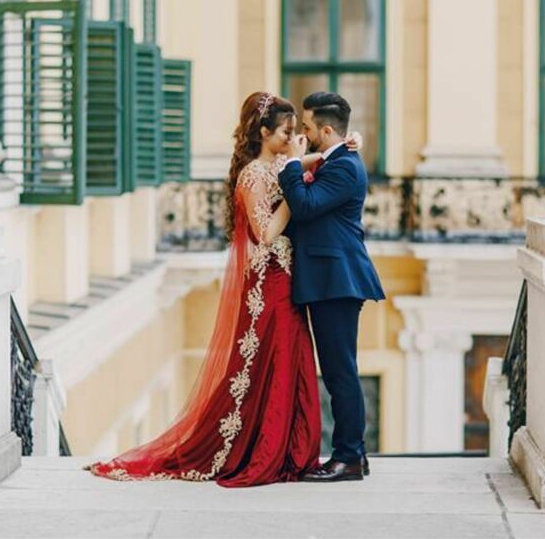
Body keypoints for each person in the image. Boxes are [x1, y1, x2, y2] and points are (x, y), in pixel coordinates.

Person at [84, 92, 361, 487]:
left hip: (290, 279)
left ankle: (293, 450)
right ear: (265, 133)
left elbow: (320, 160)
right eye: (286, 131)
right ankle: (263, 448)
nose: (295, 135)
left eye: (299, 129)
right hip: (271, 280)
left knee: (294, 361)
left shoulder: (285, 164)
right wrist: (294, 190)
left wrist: (347, 144)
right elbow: (265, 233)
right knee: (274, 361)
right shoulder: (253, 174)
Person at [279, 91, 385, 483]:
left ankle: (349, 457)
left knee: (340, 372)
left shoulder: (345, 168)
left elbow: (305, 206)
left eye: (307, 128)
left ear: (326, 129)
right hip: (327, 279)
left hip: (337, 281)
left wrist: (291, 163)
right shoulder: (335, 159)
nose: (303, 135)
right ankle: (353, 454)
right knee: (340, 370)